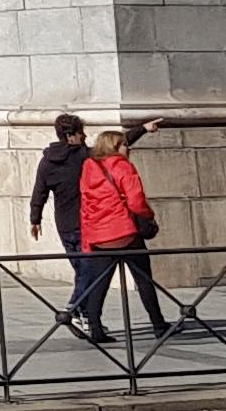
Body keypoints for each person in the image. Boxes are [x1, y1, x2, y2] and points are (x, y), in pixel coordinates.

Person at [66, 131, 172, 343]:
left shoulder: (89, 169)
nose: (128, 148)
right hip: (124, 232)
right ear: (114, 147)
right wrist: (148, 216)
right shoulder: (123, 166)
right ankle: (159, 324)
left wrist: (88, 240)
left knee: (99, 284)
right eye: (124, 145)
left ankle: (95, 329)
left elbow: (85, 207)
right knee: (144, 279)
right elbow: (136, 201)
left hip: (99, 235)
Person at [28, 112, 157, 258]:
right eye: (80, 133)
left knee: (83, 273)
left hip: (65, 226)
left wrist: (35, 219)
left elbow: (39, 192)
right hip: (87, 224)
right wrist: (143, 129)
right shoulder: (85, 156)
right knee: (92, 274)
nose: (84, 136)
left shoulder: (47, 162)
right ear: (70, 136)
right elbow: (114, 145)